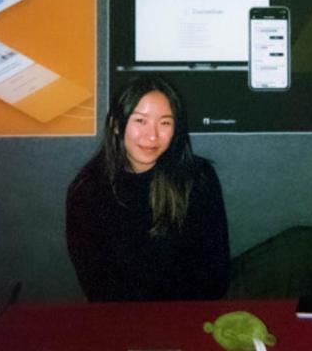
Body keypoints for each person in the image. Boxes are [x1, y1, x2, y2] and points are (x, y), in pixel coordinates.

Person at [66, 75, 230, 301]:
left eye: (165, 123)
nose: (152, 136)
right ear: (116, 124)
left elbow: (215, 274)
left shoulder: (197, 178)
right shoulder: (87, 192)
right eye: (140, 121)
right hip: (126, 320)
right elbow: (97, 286)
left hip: (189, 313)